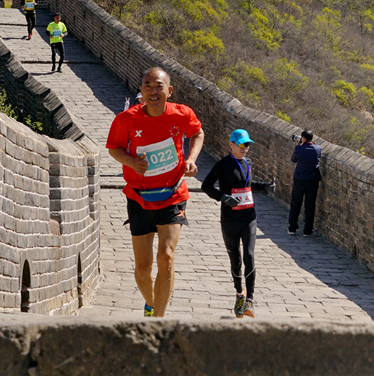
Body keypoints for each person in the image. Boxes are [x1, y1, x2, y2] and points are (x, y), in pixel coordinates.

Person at [106, 67, 204, 318]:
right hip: (139, 197)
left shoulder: (182, 114)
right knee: (143, 269)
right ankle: (151, 303)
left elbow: (197, 133)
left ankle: (158, 321)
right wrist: (131, 162)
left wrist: (191, 159)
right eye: (148, 86)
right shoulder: (127, 119)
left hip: (173, 194)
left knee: (166, 256)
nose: (153, 91)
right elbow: (114, 148)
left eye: (159, 86)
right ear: (141, 91)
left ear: (169, 91)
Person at [202, 129, 274, 318]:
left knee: (249, 256)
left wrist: (264, 186)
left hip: (249, 217)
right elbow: (206, 186)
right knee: (236, 260)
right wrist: (223, 197)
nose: (245, 148)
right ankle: (239, 294)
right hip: (230, 219)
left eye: (247, 144)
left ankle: (250, 299)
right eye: (241, 144)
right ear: (231, 144)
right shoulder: (223, 164)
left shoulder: (248, 162)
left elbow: (247, 185)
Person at [288, 129, 321, 236]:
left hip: (300, 180)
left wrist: (298, 146)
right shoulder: (318, 148)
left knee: (296, 204)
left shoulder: (299, 148)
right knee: (310, 205)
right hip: (313, 180)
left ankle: (292, 228)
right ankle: (307, 230)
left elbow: (294, 159)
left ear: (303, 138)